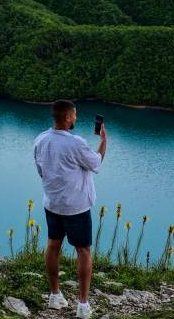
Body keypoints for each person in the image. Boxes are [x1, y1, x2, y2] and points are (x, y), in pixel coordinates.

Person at [33, 100, 107, 319]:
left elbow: (41, 171)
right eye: (74, 115)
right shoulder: (76, 143)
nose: (76, 118)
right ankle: (83, 306)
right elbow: (96, 163)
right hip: (76, 208)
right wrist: (103, 141)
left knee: (53, 245)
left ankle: (55, 295)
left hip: (53, 204)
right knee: (83, 251)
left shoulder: (40, 140)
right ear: (66, 117)